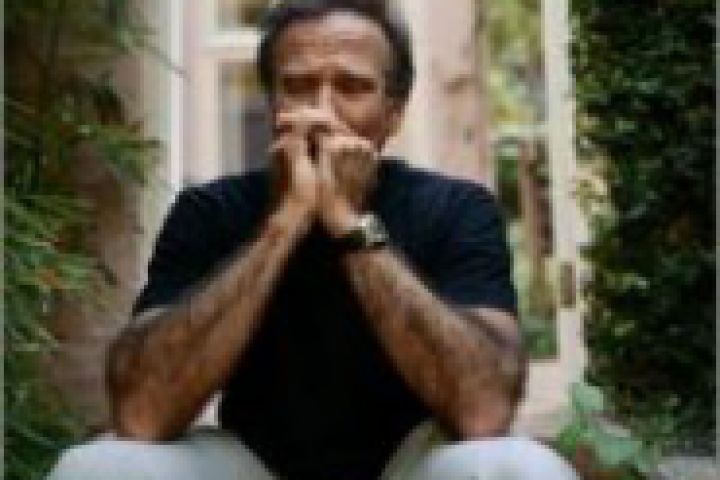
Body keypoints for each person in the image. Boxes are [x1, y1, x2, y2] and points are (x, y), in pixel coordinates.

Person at [48, 1, 578, 479]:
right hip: (253, 465)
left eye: (352, 86)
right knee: (98, 468)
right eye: (298, 86)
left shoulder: (456, 209)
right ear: (272, 103)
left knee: (517, 468)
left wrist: (350, 222)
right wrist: (285, 222)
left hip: (412, 467)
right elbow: (141, 412)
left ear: (393, 113)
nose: (322, 111)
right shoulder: (209, 212)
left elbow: (485, 408)